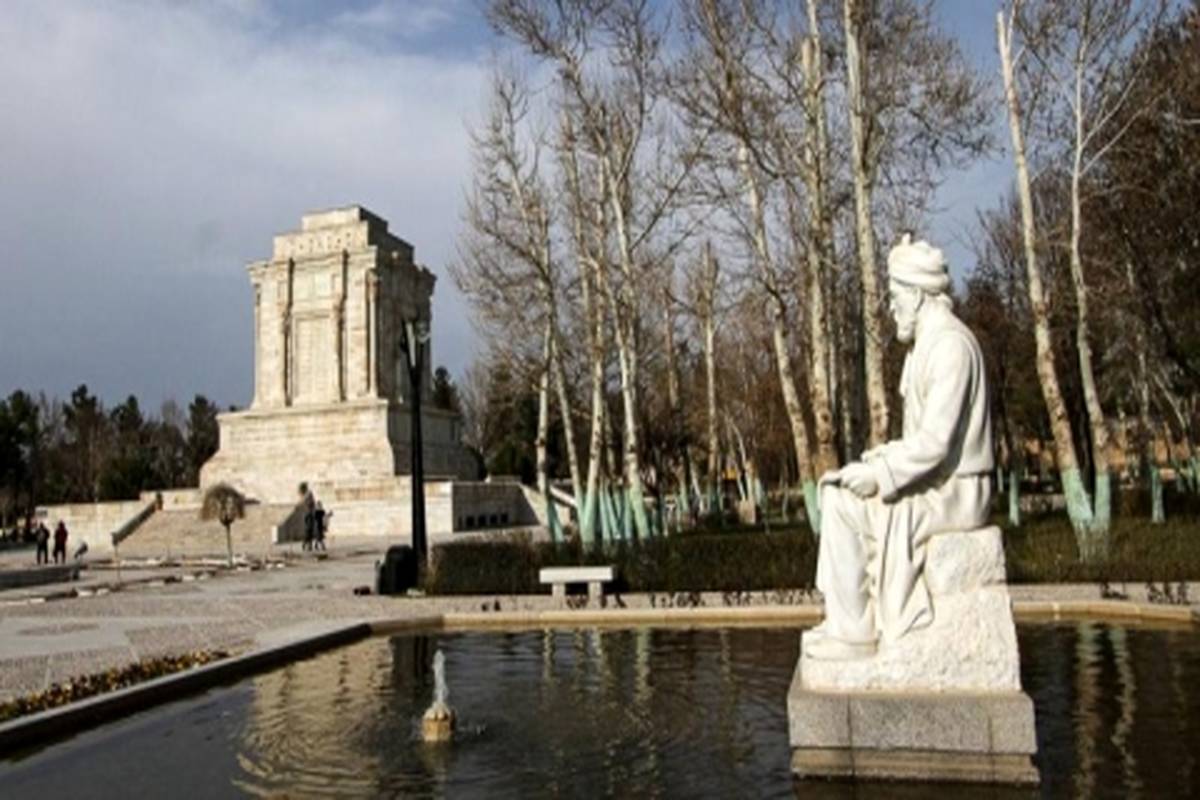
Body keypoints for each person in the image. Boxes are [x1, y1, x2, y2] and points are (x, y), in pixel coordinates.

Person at [807, 235, 994, 661]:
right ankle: (846, 622)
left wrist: (880, 475)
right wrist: (878, 460)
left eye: (895, 298)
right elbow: (921, 442)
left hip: (959, 492)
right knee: (836, 492)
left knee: (851, 505)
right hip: (938, 482)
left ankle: (855, 635)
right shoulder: (926, 346)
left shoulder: (950, 346)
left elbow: (936, 442)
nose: (891, 309)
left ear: (918, 295)